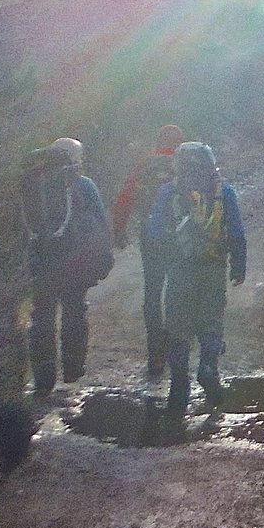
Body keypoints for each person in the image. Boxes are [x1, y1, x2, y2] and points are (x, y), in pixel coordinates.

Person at [151, 140, 246, 416]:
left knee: (178, 327)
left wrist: (163, 262)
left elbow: (155, 233)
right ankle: (208, 368)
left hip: (179, 270)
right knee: (211, 322)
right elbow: (237, 233)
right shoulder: (223, 192)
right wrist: (238, 267)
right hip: (213, 268)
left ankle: (179, 385)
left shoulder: (168, 192)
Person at [20, 138, 111, 398]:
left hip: (40, 259)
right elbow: (100, 223)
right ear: (76, 160)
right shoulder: (83, 185)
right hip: (74, 260)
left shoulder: (33, 184)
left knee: (42, 316)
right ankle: (72, 368)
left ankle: (43, 378)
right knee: (74, 309)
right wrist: (103, 257)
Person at [111, 125, 186, 380]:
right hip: (181, 236)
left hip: (150, 235)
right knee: (177, 290)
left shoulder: (145, 165)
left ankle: (155, 352)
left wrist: (119, 231)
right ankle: (178, 348)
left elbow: (125, 198)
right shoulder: (187, 165)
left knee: (153, 292)